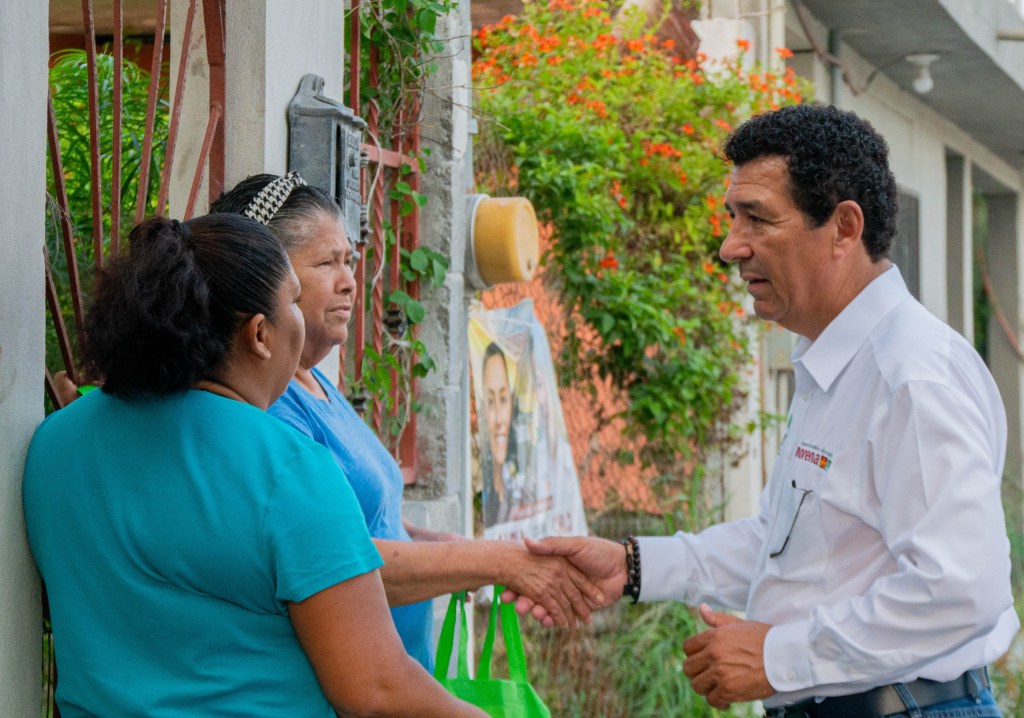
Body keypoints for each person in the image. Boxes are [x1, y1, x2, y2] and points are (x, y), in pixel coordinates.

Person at [520, 104, 1019, 717]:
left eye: (758, 219)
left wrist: (779, 657)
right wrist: (632, 566)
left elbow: (962, 590)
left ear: (843, 228)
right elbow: (788, 545)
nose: (732, 247)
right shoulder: (835, 362)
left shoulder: (912, 375)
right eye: (733, 218)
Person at [23, 215, 484, 716]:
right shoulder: (288, 469)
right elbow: (377, 690)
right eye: (292, 299)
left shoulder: (53, 444)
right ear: (260, 334)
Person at [208, 174, 601, 669]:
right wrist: (498, 562)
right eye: (326, 262)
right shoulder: (265, 405)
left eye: (348, 260)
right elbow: (336, 564)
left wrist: (466, 552)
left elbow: (379, 517)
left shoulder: (313, 381)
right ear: (268, 280)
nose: (350, 280)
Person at [480, 341, 522, 525]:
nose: (498, 419)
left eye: (503, 399)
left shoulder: (525, 489)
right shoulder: (487, 495)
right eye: (490, 401)